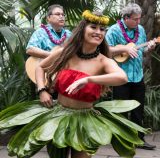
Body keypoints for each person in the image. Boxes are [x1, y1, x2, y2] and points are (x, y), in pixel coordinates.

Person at [0, 10, 149, 158]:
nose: (98, 32)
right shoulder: (65, 52)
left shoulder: (104, 61)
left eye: (102, 29)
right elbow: (40, 67)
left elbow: (121, 77)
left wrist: (89, 79)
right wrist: (42, 90)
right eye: (93, 27)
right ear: (82, 29)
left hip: (85, 120)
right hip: (58, 115)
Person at [105, 2, 156, 150]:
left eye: (140, 18)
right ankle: (120, 140)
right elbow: (106, 51)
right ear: (126, 17)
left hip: (138, 76)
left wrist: (150, 48)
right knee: (120, 109)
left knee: (138, 109)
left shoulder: (140, 29)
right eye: (135, 19)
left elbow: (143, 52)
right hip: (120, 76)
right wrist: (123, 48)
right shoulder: (114, 30)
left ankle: (139, 139)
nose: (138, 21)